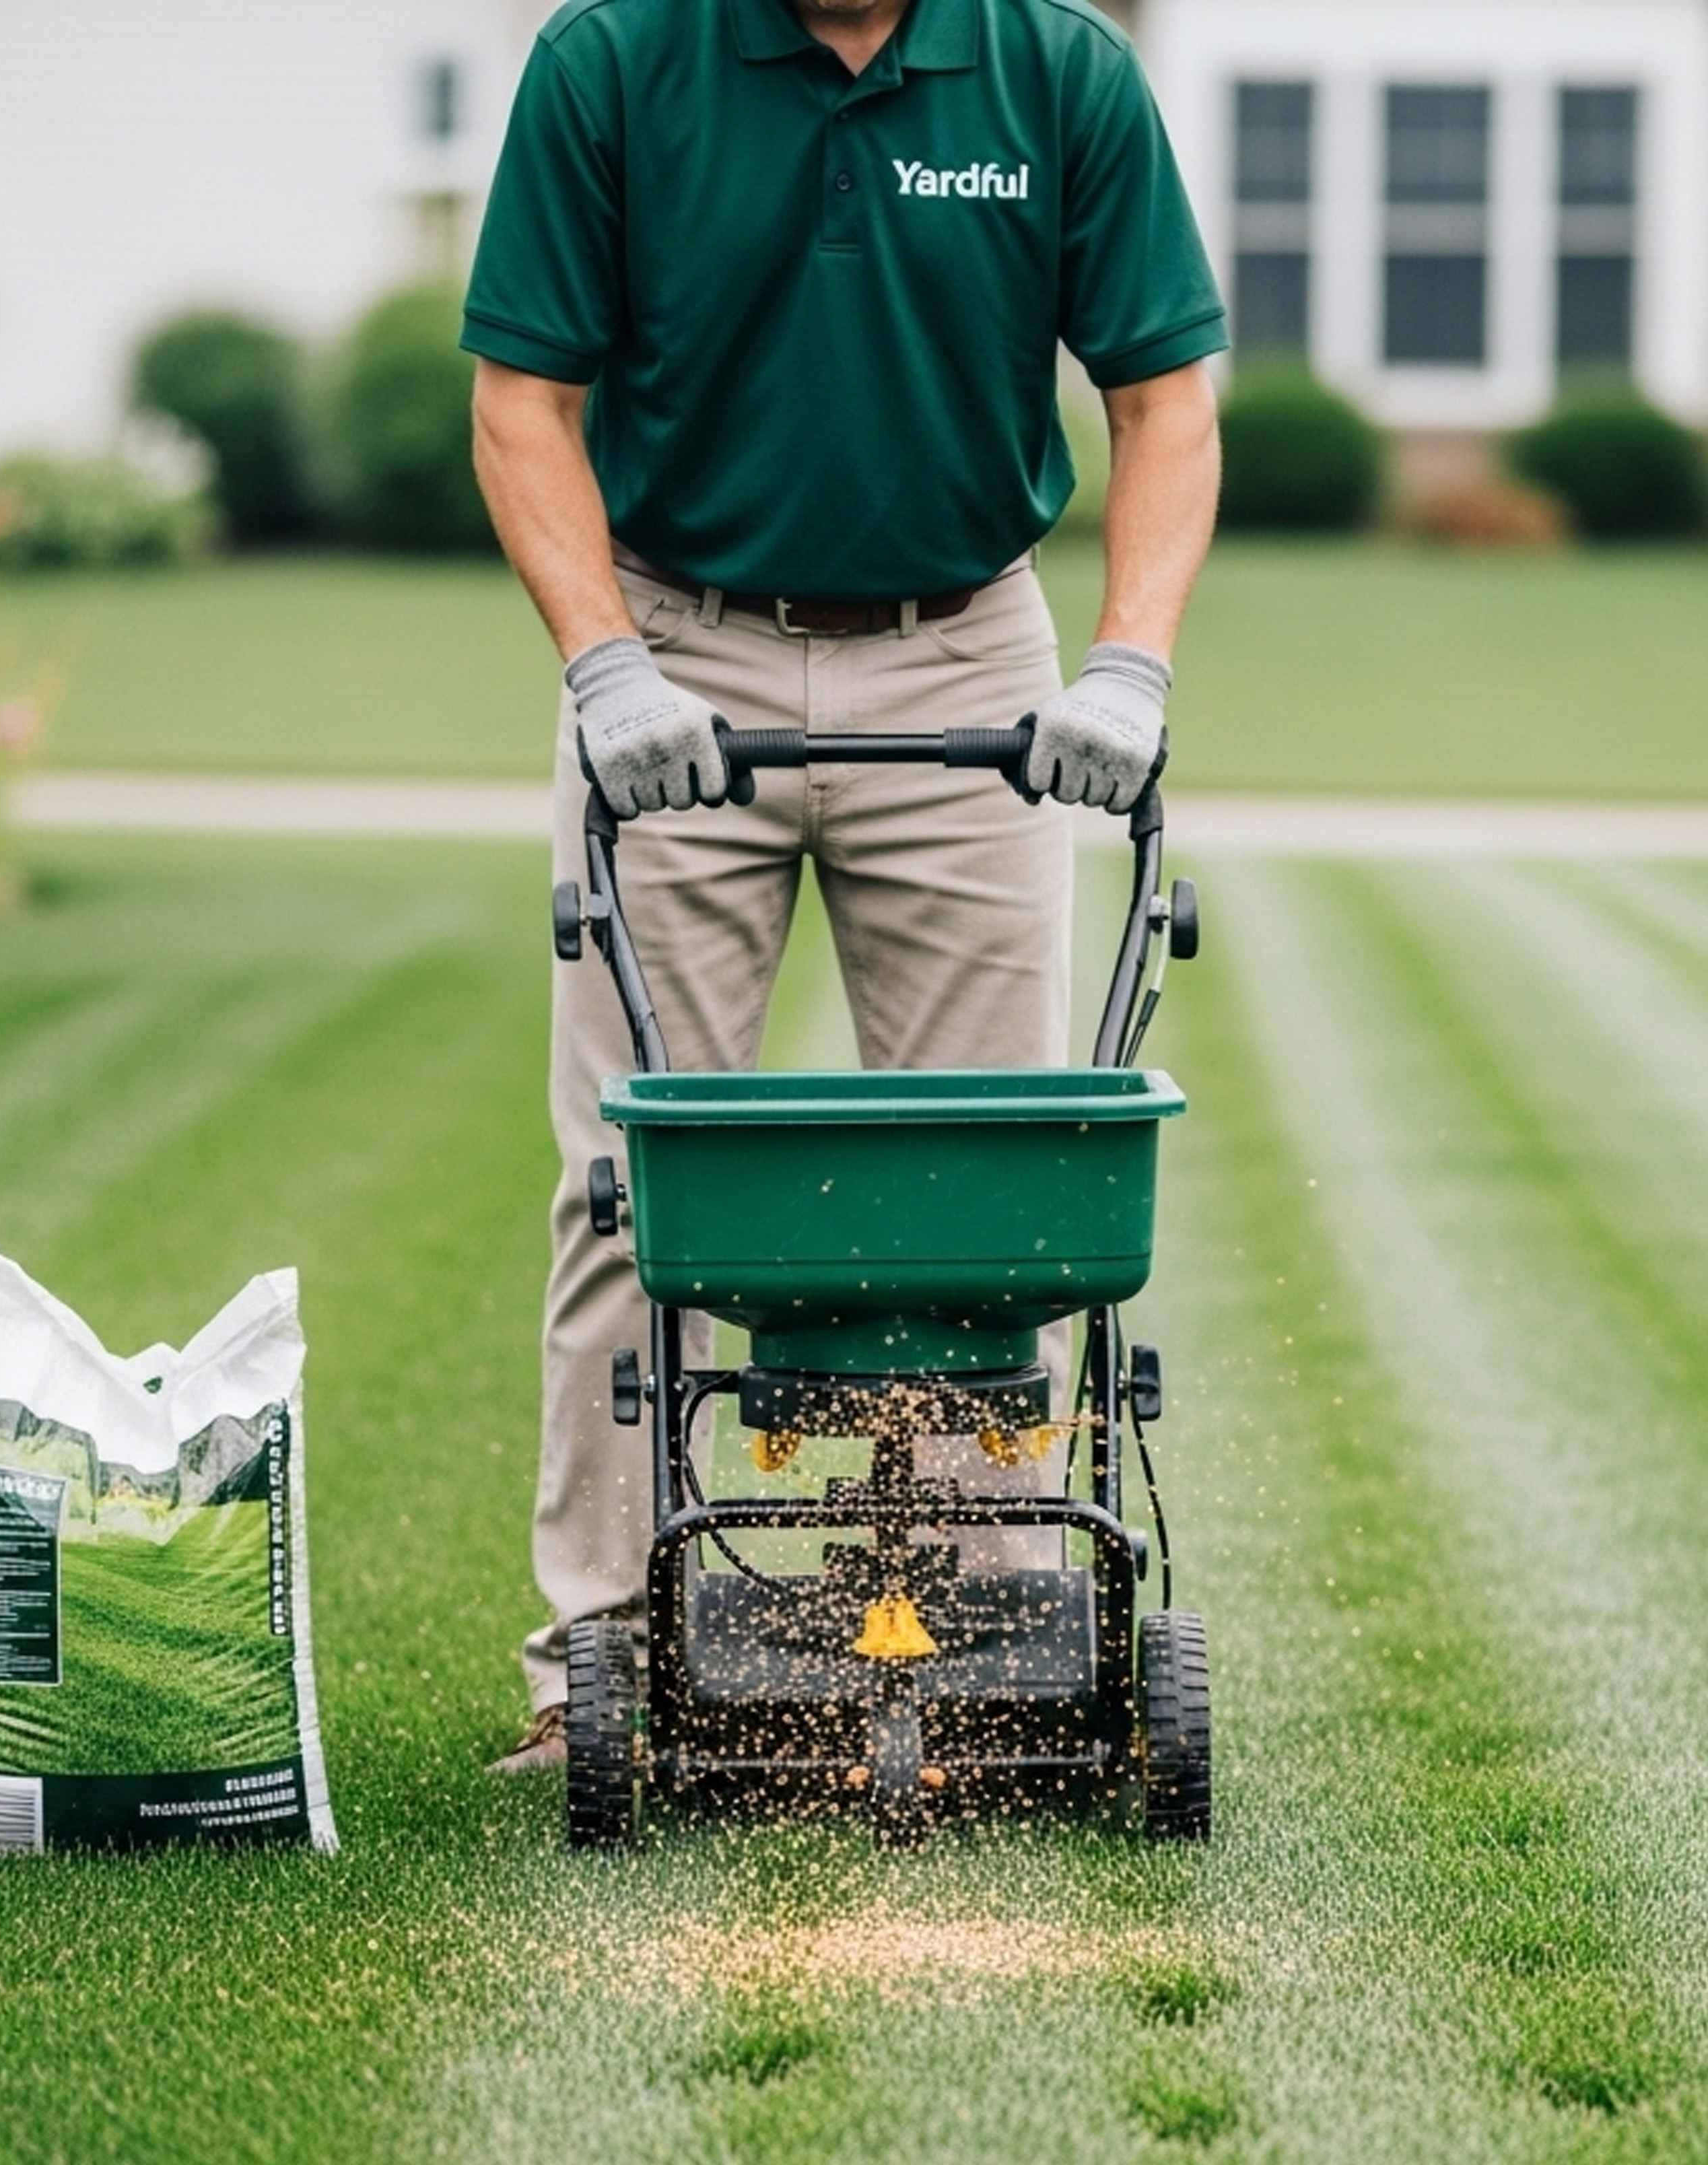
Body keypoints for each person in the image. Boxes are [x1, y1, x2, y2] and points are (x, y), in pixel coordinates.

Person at [463, 0, 1225, 1771]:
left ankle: (988, 1652)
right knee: (623, 1184)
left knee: (1000, 1197)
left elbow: (1164, 401)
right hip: (670, 652)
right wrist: (602, 666)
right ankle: (600, 1655)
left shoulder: (1057, 74)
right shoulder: (616, 62)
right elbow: (524, 407)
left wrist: (1127, 665)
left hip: (966, 655)